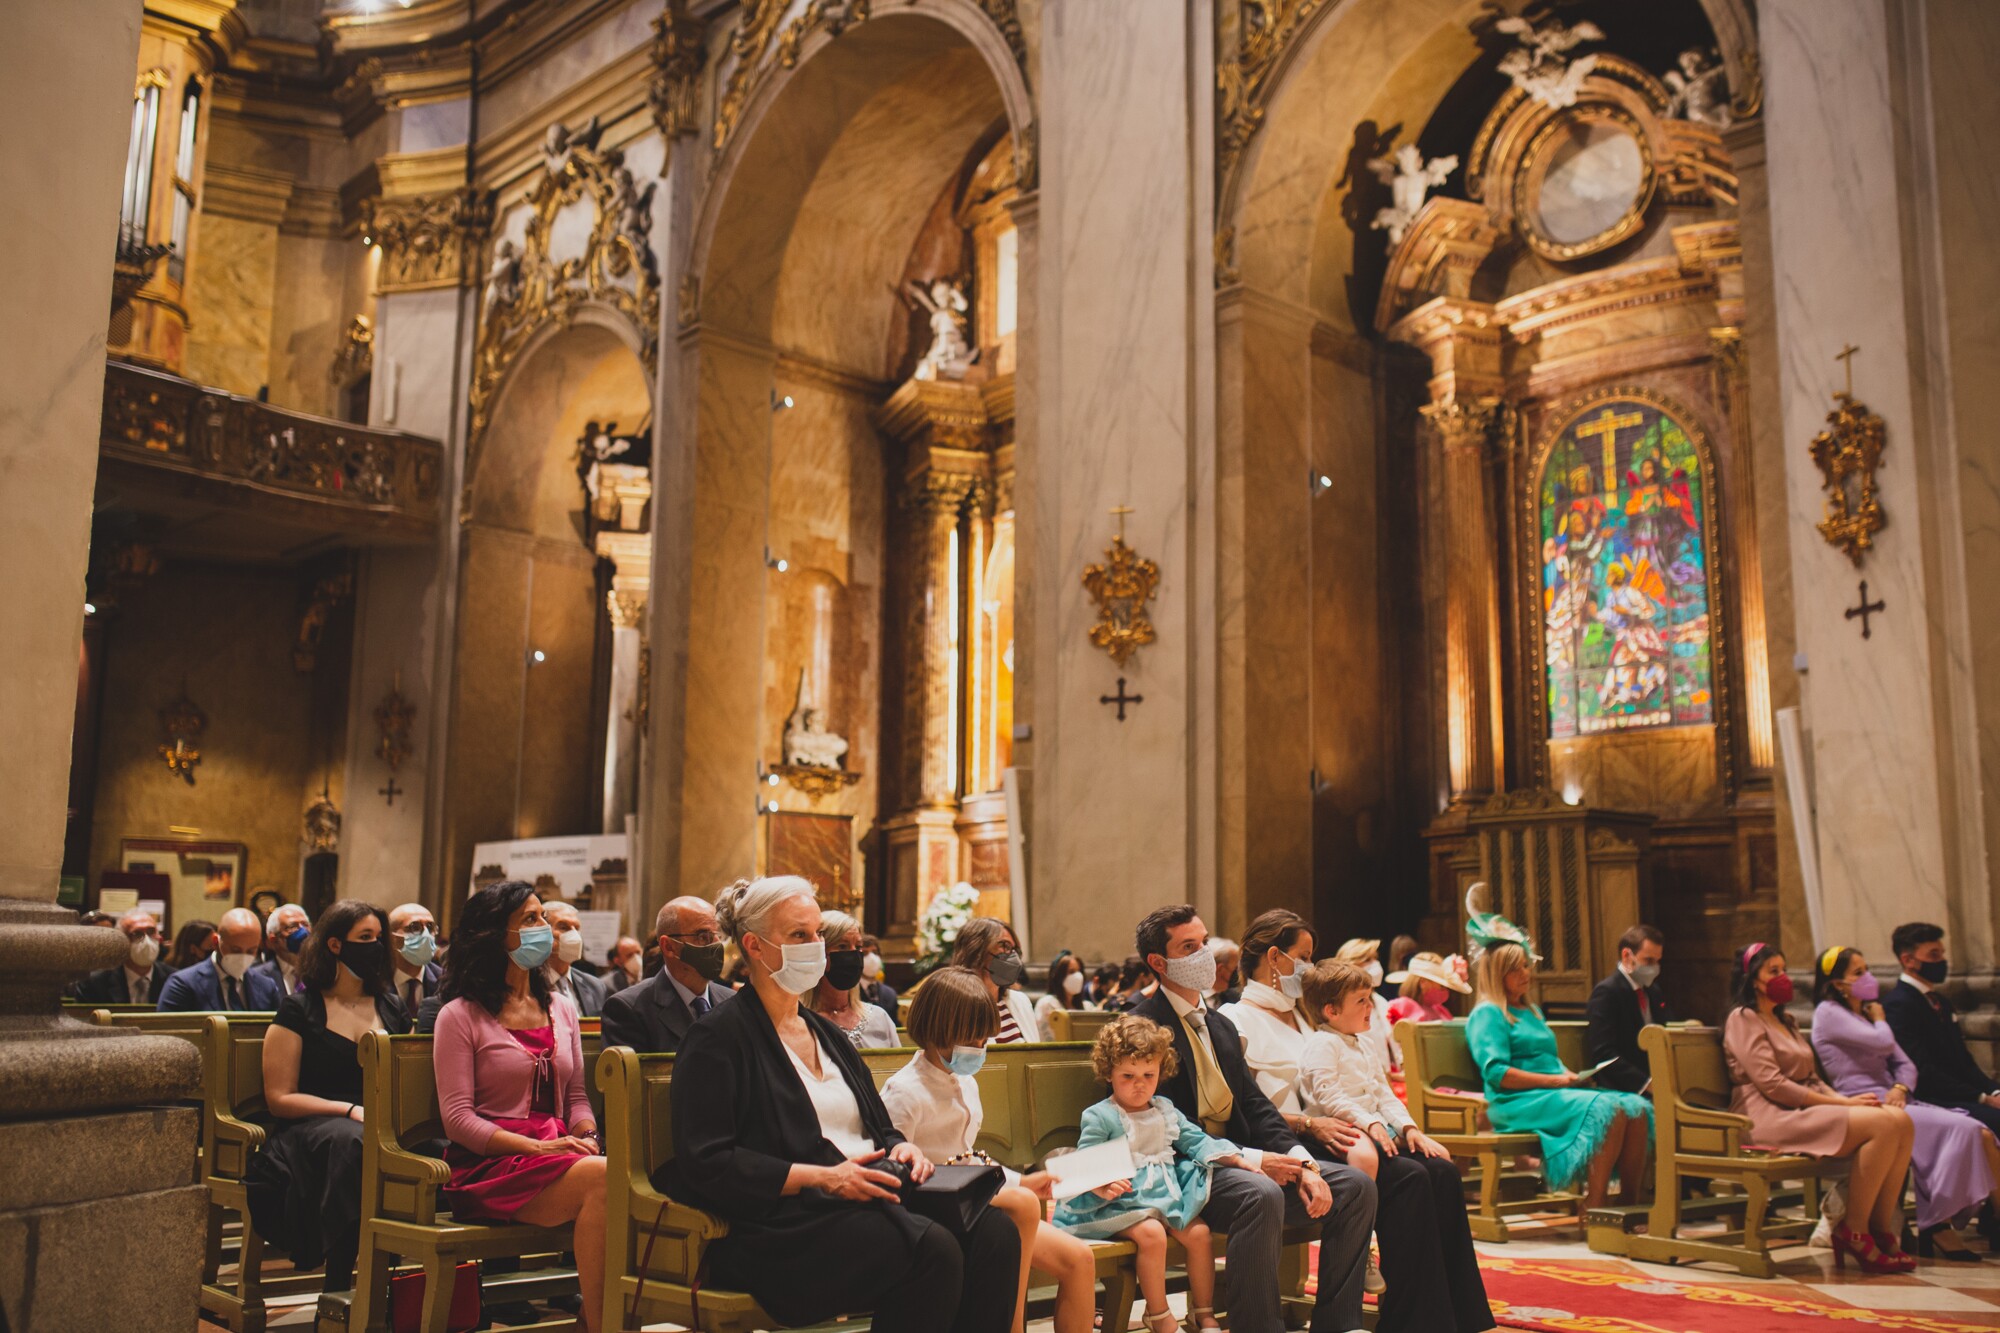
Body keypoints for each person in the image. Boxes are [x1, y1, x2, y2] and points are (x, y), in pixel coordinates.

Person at [660, 875, 1021, 1333]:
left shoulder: (826, 1034)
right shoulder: (717, 1038)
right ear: (754, 945)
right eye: (798, 935)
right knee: (933, 1251)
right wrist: (827, 1178)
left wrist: (899, 1148)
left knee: (995, 1234)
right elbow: (707, 1159)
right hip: (784, 1224)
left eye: (816, 934)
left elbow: (878, 1127)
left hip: (868, 1198)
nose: (817, 947)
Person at [1131, 904, 1376, 1333]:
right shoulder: (1144, 1026)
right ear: (1158, 962)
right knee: (1259, 1192)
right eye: (1189, 947)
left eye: (1204, 942)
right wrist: (1258, 1161)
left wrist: (1302, 1160)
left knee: (1355, 1186)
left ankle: (1338, 1323)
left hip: (1237, 1156)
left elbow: (1255, 1106)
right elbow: (1168, 1130)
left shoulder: (1219, 1025)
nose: (1204, 954)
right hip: (1182, 1167)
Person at [881, 966, 1097, 1333]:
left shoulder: (964, 1082)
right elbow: (897, 1170)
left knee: (1079, 1258)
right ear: (940, 1030)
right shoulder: (904, 1092)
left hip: (974, 1198)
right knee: (1023, 1206)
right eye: (974, 1040)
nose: (981, 1049)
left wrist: (1024, 1180)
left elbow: (968, 1156)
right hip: (933, 1206)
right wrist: (1017, 1191)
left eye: (985, 1039)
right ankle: (1012, 1325)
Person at [434, 880, 607, 1333]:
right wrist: (536, 1150)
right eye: (530, 920)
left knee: (619, 1173)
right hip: (489, 1163)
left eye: (542, 918)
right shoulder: (459, 1015)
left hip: (555, 1150)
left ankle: (598, 1316)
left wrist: (586, 1135)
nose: (544, 928)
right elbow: (457, 1120)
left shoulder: (563, 1008)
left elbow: (575, 1096)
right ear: (495, 935)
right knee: (608, 1179)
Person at [1297, 960, 1494, 1333]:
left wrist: (1410, 1129)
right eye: (1361, 1001)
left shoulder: (1363, 1044)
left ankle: (1460, 1313)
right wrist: (1368, 1122)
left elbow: (1383, 1093)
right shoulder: (1322, 1045)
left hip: (1378, 1132)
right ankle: (1415, 1319)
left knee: (1443, 1170)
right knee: (1413, 1177)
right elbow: (1329, 1096)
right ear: (1331, 1011)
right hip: (1339, 1139)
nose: (1370, 1007)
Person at [243, 899, 411, 1292]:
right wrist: (350, 1109)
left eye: (379, 938)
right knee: (353, 1143)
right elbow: (280, 1098)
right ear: (335, 945)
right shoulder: (300, 1008)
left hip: (375, 1121)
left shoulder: (391, 1005)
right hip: (311, 1126)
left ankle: (405, 1277)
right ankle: (337, 1289)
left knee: (430, 1142)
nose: (376, 946)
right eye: (364, 937)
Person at [1724, 941, 1915, 1273]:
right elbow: (1773, 1084)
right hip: (1765, 1115)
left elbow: (1811, 1077)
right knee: (1881, 1125)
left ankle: (1879, 1228)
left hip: (1801, 1107)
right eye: (1774, 971)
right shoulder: (1743, 1018)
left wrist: (1842, 1100)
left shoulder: (1787, 1020)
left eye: (1785, 969)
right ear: (1753, 979)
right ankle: (1853, 1230)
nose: (1784, 977)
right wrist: (1838, 1102)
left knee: (1900, 1120)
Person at [1053, 1015, 1249, 1333]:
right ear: (1109, 1073)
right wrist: (1101, 1181)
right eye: (1128, 1075)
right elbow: (1086, 1159)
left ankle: (1203, 1312)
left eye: (1149, 1074)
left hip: (1164, 1196)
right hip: (1119, 1200)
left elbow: (1195, 1139)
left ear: (1161, 1070)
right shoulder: (1101, 1115)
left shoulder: (1164, 1109)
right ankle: (1158, 1315)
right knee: (1153, 1235)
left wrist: (1235, 1158)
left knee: (1198, 1234)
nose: (1139, 1084)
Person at [1811, 944, 2000, 1261]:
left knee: (1979, 1132)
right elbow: (1882, 1042)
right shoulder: (1828, 1013)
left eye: (1866, 969)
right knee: (1968, 1130)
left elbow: (1906, 1064)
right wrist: (1881, 1018)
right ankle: (1936, 1224)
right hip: (1864, 1101)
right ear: (1835, 983)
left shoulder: (1864, 1013)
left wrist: (1900, 1086)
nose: (1869, 977)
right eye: (1858, 973)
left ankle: (1941, 1222)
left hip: (1897, 1097)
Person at [1466, 938, 1651, 1216]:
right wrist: (1554, 1081)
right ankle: (1595, 1205)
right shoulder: (1487, 1013)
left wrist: (1570, 1075)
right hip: (1514, 1101)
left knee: (1636, 1108)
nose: (1525, 974)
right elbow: (1497, 1073)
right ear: (1496, 974)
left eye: (1526, 966)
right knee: (1608, 1108)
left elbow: (1549, 1060)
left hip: (1550, 1094)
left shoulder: (1532, 1011)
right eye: (1515, 969)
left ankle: (1627, 1203)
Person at [1219, 910, 1355, 1153]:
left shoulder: (1305, 1015)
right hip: (1282, 1142)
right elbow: (1242, 1108)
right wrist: (1309, 1124)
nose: (1309, 968)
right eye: (1303, 957)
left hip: (1332, 1130)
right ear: (1273, 957)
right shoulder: (1235, 1019)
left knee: (1433, 1168)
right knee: (1407, 1175)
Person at [1883, 922, 2000, 1138]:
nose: (1942, 961)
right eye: (1934, 955)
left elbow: (1964, 1061)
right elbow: (1921, 1068)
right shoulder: (1897, 1004)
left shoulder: (1942, 1002)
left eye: (1942, 954)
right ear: (1908, 960)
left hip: (1962, 1093)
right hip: (1932, 1097)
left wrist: (1994, 1091)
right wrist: (1981, 1098)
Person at [599, 893, 735, 1053]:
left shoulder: (732, 1002)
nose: (717, 945)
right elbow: (634, 1077)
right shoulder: (628, 1008)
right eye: (703, 936)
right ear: (669, 947)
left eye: (718, 935)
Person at [1584, 924, 1670, 1095]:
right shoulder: (1607, 992)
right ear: (1626, 956)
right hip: (1622, 1089)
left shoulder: (1653, 991)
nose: (1654, 968)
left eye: (1658, 961)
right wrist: (1646, 1084)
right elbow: (1603, 1054)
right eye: (1648, 961)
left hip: (1657, 1085)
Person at [158, 907, 285, 1010]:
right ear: (215, 942)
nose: (243, 957)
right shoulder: (182, 984)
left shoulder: (266, 987)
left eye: (251, 950)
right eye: (235, 950)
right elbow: (167, 1038)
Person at [809, 909, 899, 1048]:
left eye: (858, 946)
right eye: (842, 946)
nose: (853, 954)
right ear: (821, 952)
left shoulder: (879, 1017)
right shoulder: (803, 1022)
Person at [949, 917, 1039, 1043]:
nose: (1012, 955)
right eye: (1004, 945)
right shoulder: (953, 1005)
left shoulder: (1020, 1001)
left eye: (1014, 950)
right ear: (976, 950)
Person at [69, 908, 174, 1004]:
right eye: (136, 934)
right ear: (121, 940)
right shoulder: (94, 984)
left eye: (151, 931)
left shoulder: (174, 980)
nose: (146, 940)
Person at [1332, 938, 1401, 1072]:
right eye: (1368, 960)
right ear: (1351, 964)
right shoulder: (1340, 1005)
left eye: (1375, 959)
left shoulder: (1379, 1001)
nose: (1375, 964)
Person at [542, 900, 607, 1018]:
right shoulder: (527, 984)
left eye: (577, 928)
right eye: (564, 927)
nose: (574, 934)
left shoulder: (595, 986)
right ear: (543, 933)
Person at [386, 901, 443, 1016]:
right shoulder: (373, 979)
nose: (426, 935)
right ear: (391, 937)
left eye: (430, 927)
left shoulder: (445, 980)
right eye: (415, 927)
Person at [1384, 952, 1469, 1027]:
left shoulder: (1439, 1010)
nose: (1445, 991)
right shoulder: (1404, 1006)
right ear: (1423, 982)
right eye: (1441, 986)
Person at [252, 903, 311, 997]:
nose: (303, 931)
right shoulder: (257, 977)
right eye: (292, 927)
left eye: (305, 925)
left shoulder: (322, 973)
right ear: (273, 940)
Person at [1034, 949, 1093, 1042]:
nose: (1078, 976)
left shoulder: (1088, 1007)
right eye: (1072, 972)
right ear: (1059, 976)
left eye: (1079, 971)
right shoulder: (1047, 1004)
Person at [858, 934, 900, 1018]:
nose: (871, 957)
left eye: (874, 952)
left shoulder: (890, 994)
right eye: (865, 953)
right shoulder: (849, 994)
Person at [1381, 935, 1420, 1002]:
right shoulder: (1389, 980)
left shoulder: (1418, 975)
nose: (1410, 956)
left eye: (1412, 951)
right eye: (1405, 952)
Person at [1210, 937, 1242, 1006]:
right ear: (1220, 969)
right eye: (1235, 969)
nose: (1238, 974)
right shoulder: (1194, 997)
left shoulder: (1234, 997)